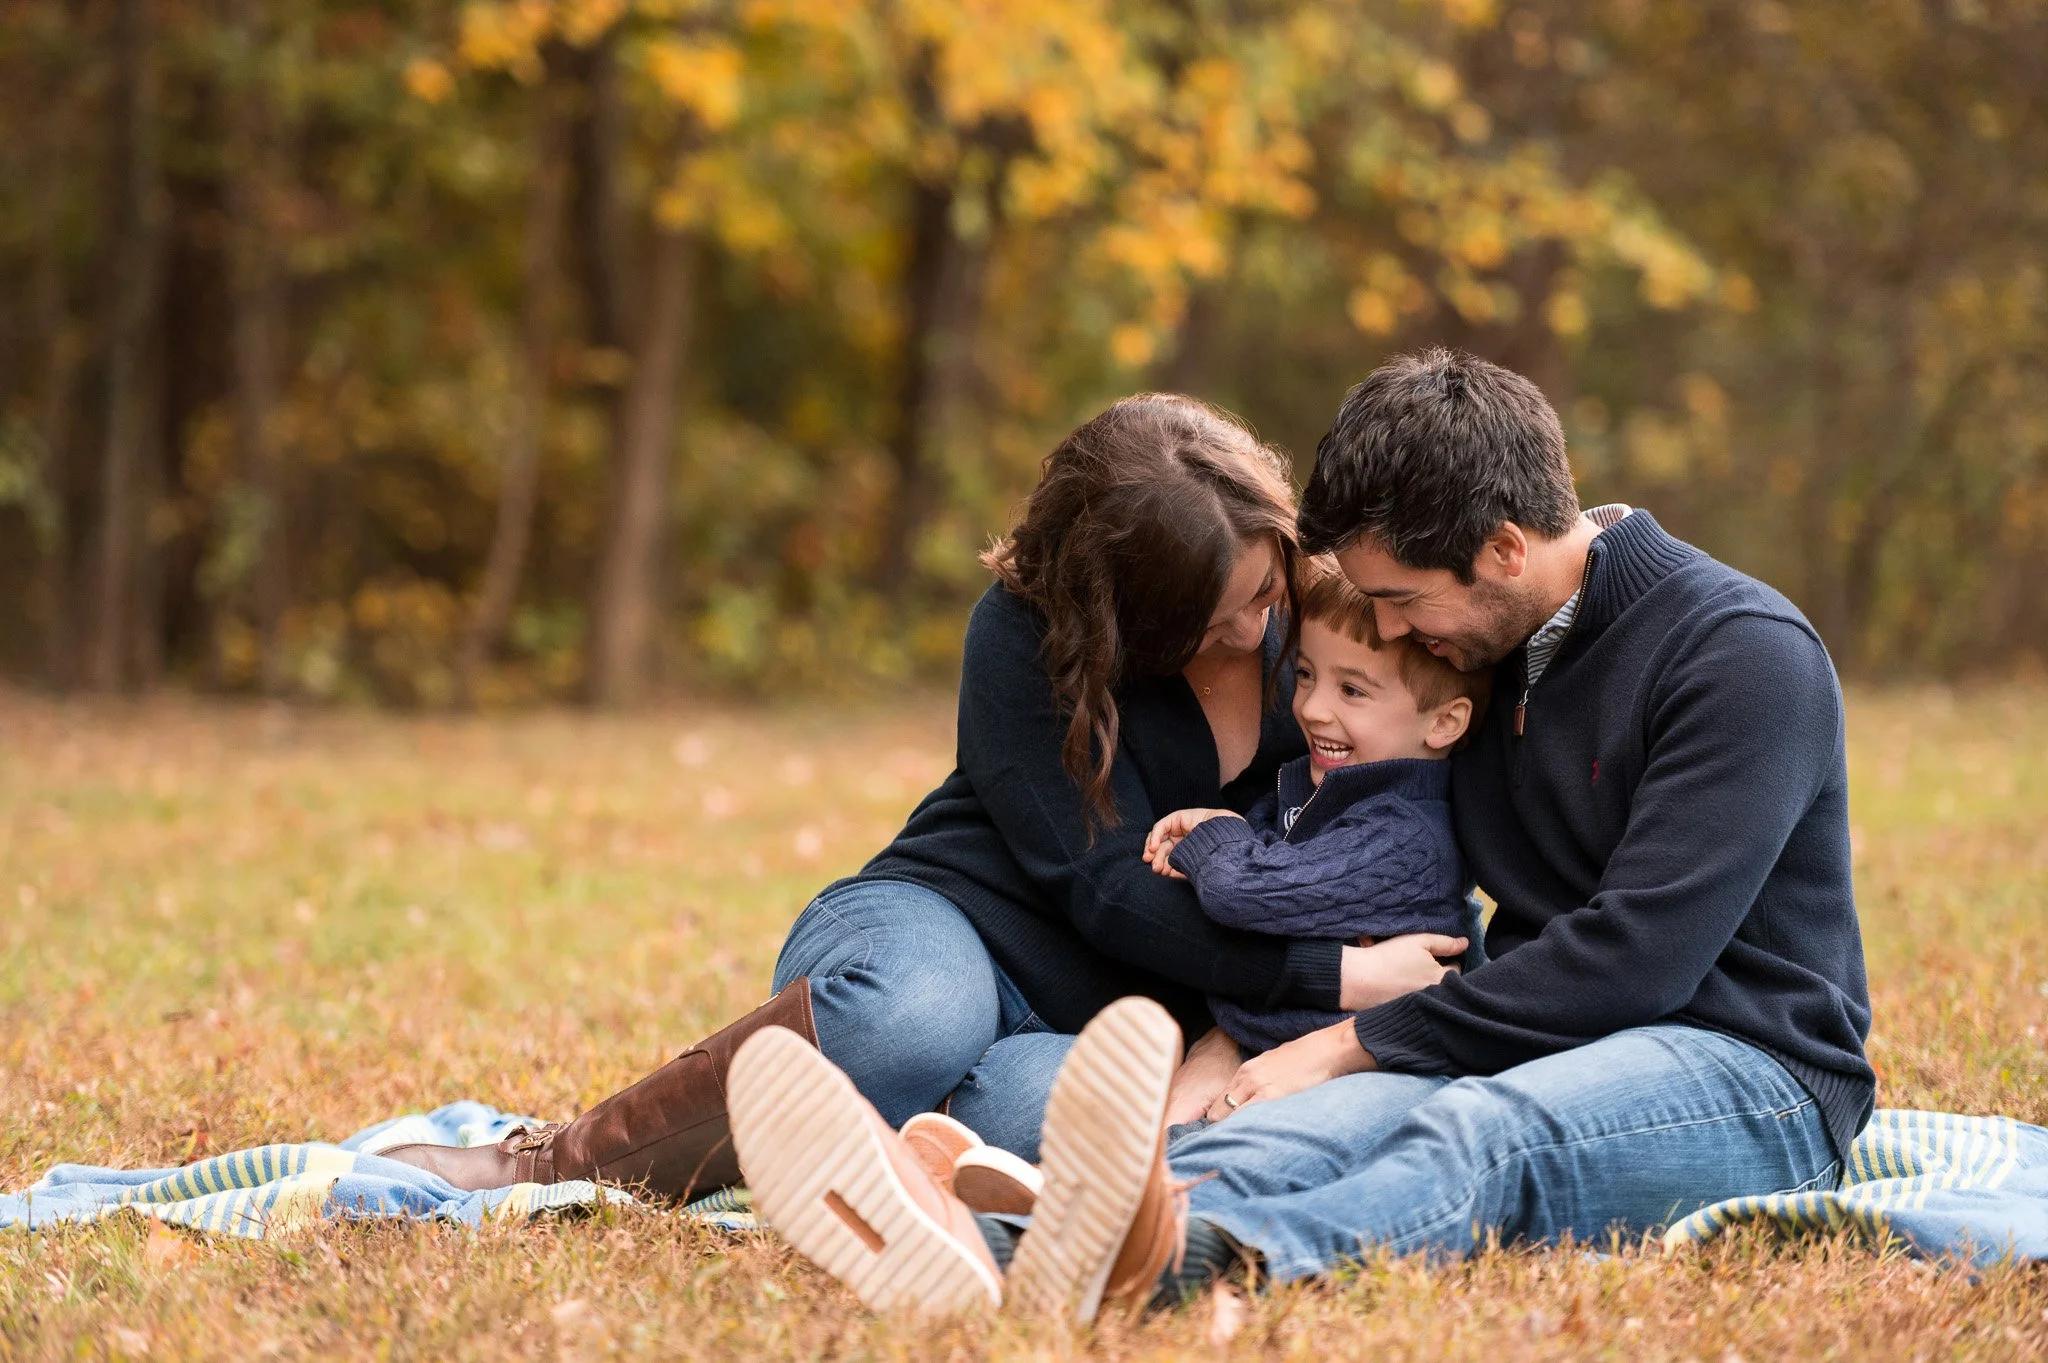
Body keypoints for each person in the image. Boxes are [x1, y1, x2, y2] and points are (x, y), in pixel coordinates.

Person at [725, 347, 1875, 1318]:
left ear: (1505, 551)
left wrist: (1342, 1040)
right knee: (1274, 1125)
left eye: (1397, 603)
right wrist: (1269, 1039)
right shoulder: (1477, 655)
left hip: (1744, 1062)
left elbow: (1639, 958)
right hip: (1534, 1032)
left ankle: (1131, 1262)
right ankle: (1004, 1241)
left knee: (1470, 1133)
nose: (1377, 630)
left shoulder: (1738, 657)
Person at [380, 393, 1463, 1200]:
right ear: (1125, 611)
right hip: (947, 926)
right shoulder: (1021, 636)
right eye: (1216, 617)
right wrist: (1320, 972)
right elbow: (1100, 885)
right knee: (908, 1018)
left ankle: (891, 1134)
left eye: (1265, 589)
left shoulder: (1318, 631)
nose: (1254, 633)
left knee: (1050, 1126)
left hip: (1111, 1015)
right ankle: (554, 1161)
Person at [1142, 556, 1487, 1054]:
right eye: (1305, 674)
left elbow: (1241, 893)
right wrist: (1226, 838)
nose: (1310, 707)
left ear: (1444, 723)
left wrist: (1212, 839)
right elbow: (1265, 843)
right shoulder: (1329, 786)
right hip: (1261, 1037)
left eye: (1351, 690)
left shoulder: (1405, 834)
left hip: (1347, 1066)